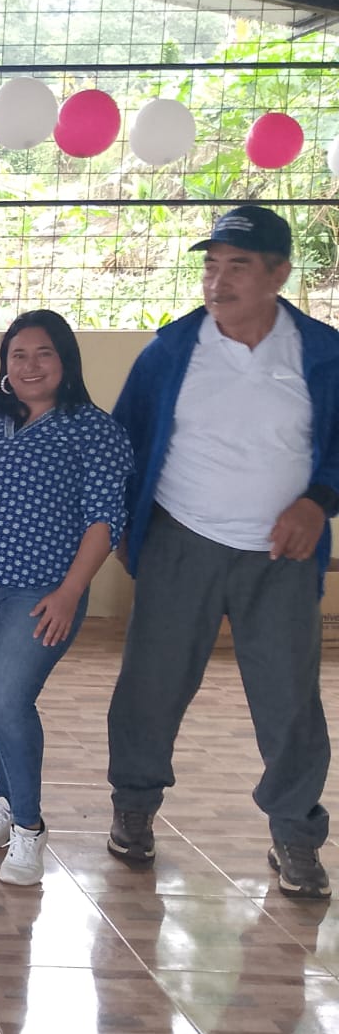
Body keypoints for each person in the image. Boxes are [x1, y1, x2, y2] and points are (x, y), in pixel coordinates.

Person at [107, 205, 339, 899]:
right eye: (211, 265)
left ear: (279, 274)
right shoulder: (171, 351)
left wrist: (317, 502)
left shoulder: (322, 354)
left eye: (238, 265)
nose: (219, 280)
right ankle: (134, 806)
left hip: (281, 556)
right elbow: (125, 440)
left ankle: (295, 834)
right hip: (182, 541)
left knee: (289, 699)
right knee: (151, 686)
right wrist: (122, 528)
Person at [0, 309, 132, 886]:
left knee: (9, 700)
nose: (30, 366)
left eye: (43, 354)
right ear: (5, 365)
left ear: (66, 361)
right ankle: (7, 802)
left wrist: (71, 591)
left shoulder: (95, 430)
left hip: (43, 592)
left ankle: (29, 828)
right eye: (18, 355)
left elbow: (105, 520)